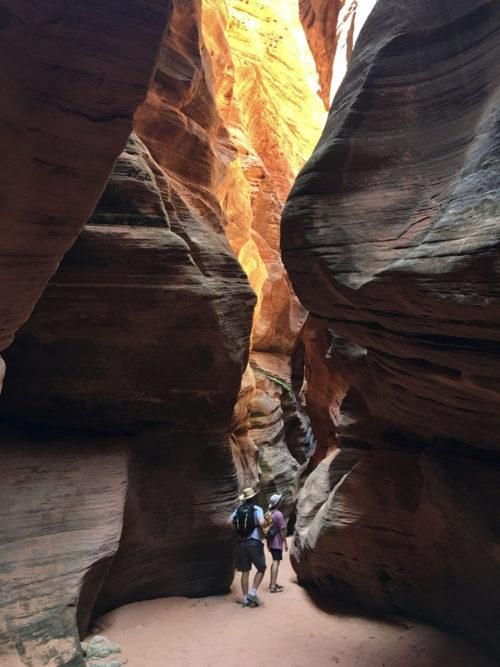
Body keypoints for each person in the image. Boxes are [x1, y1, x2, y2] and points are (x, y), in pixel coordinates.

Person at [231, 487, 267, 607]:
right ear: (253, 497)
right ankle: (253, 592)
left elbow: (230, 522)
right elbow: (262, 523)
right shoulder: (257, 509)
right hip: (254, 542)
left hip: (241, 543)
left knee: (245, 572)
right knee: (261, 568)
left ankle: (246, 599)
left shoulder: (238, 510)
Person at [266, 493, 288, 593]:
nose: (281, 501)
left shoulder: (269, 513)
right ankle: (273, 587)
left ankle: (272, 583)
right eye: (279, 500)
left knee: (275, 562)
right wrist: (285, 543)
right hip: (277, 542)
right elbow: (282, 530)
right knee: (276, 562)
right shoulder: (278, 514)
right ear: (277, 503)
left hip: (270, 542)